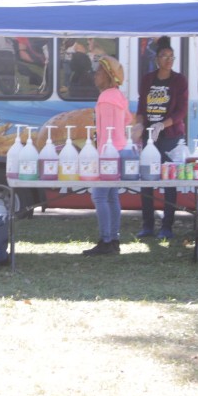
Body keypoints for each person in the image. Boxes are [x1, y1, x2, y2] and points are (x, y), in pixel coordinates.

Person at [133, 38, 189, 239]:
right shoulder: (148, 79)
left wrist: (161, 125)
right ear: (156, 59)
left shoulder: (179, 80)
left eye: (171, 56)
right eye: (164, 56)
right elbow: (141, 107)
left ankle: (167, 226)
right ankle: (147, 225)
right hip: (149, 138)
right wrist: (139, 124)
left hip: (170, 137)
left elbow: (182, 111)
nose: (168, 60)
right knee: (147, 179)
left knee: (169, 180)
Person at [83, 56, 130, 256]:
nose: (95, 75)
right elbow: (127, 120)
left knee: (99, 195)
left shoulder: (106, 98)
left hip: (108, 152)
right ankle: (114, 239)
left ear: (109, 75)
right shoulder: (118, 96)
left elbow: (106, 132)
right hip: (120, 150)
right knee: (112, 197)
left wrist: (101, 154)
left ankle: (106, 240)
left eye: (99, 71)